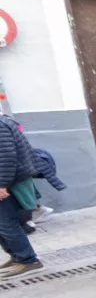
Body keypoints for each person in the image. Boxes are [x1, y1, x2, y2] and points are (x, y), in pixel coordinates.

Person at [0, 116, 42, 277]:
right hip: (9, 180)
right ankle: (18, 256)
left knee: (6, 222)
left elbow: (6, 156)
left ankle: (28, 260)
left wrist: (2, 184)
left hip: (10, 182)